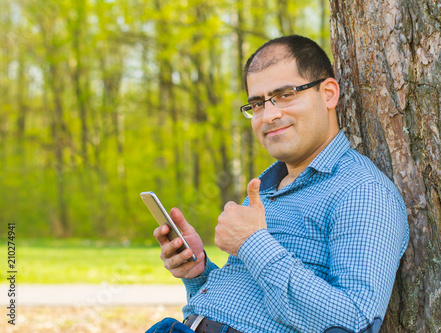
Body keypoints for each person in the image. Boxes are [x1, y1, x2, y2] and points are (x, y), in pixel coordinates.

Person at [147, 35, 409, 333]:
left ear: (328, 94)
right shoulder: (264, 188)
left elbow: (354, 321)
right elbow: (247, 298)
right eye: (257, 104)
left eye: (285, 94)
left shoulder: (361, 190)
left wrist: (252, 242)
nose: (269, 115)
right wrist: (197, 273)